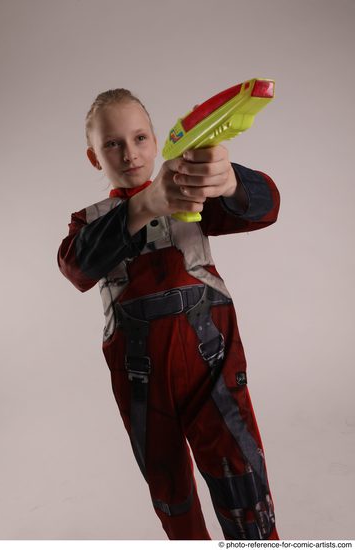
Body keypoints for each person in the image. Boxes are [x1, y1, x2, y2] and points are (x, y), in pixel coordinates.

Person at [57, 88, 280, 540]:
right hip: (142, 382)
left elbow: (266, 208)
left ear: (157, 142)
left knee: (243, 481)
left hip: (213, 369)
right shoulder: (91, 222)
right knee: (171, 492)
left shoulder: (190, 195)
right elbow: (76, 266)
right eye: (112, 144)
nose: (129, 153)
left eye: (139, 138)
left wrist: (229, 180)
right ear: (93, 157)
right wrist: (145, 205)